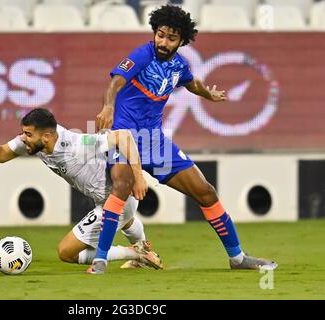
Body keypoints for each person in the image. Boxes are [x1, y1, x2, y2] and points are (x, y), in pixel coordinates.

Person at [94, 4, 278, 273]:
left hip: (155, 143)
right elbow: (116, 82)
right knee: (122, 185)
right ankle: (100, 259)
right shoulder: (142, 55)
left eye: (171, 38)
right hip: (124, 138)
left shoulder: (180, 65)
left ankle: (237, 258)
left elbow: (191, 83)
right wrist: (108, 106)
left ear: (181, 41)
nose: (163, 41)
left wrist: (208, 95)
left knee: (205, 192)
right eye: (160, 34)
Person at [0, 108, 163, 273]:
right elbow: (1, 154)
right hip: (107, 201)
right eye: (23, 133)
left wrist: (139, 177)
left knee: (67, 252)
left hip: (116, 200)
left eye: (28, 134)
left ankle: (136, 253)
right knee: (127, 221)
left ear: (47, 136)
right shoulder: (36, 142)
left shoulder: (76, 145)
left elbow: (125, 137)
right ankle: (143, 250)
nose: (23, 139)